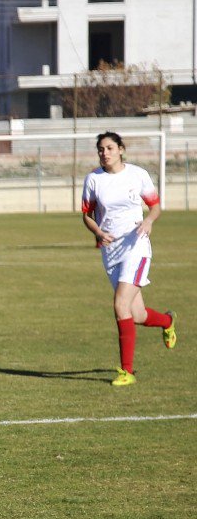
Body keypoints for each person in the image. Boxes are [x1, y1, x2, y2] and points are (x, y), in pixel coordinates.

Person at [81, 131, 177, 386]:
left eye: (110, 148)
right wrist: (99, 232)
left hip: (137, 247)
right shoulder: (93, 179)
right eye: (101, 149)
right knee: (137, 314)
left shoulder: (137, 174)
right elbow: (87, 215)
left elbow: (155, 207)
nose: (105, 153)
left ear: (121, 149)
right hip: (111, 253)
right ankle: (168, 321)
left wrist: (148, 221)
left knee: (120, 305)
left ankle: (127, 371)